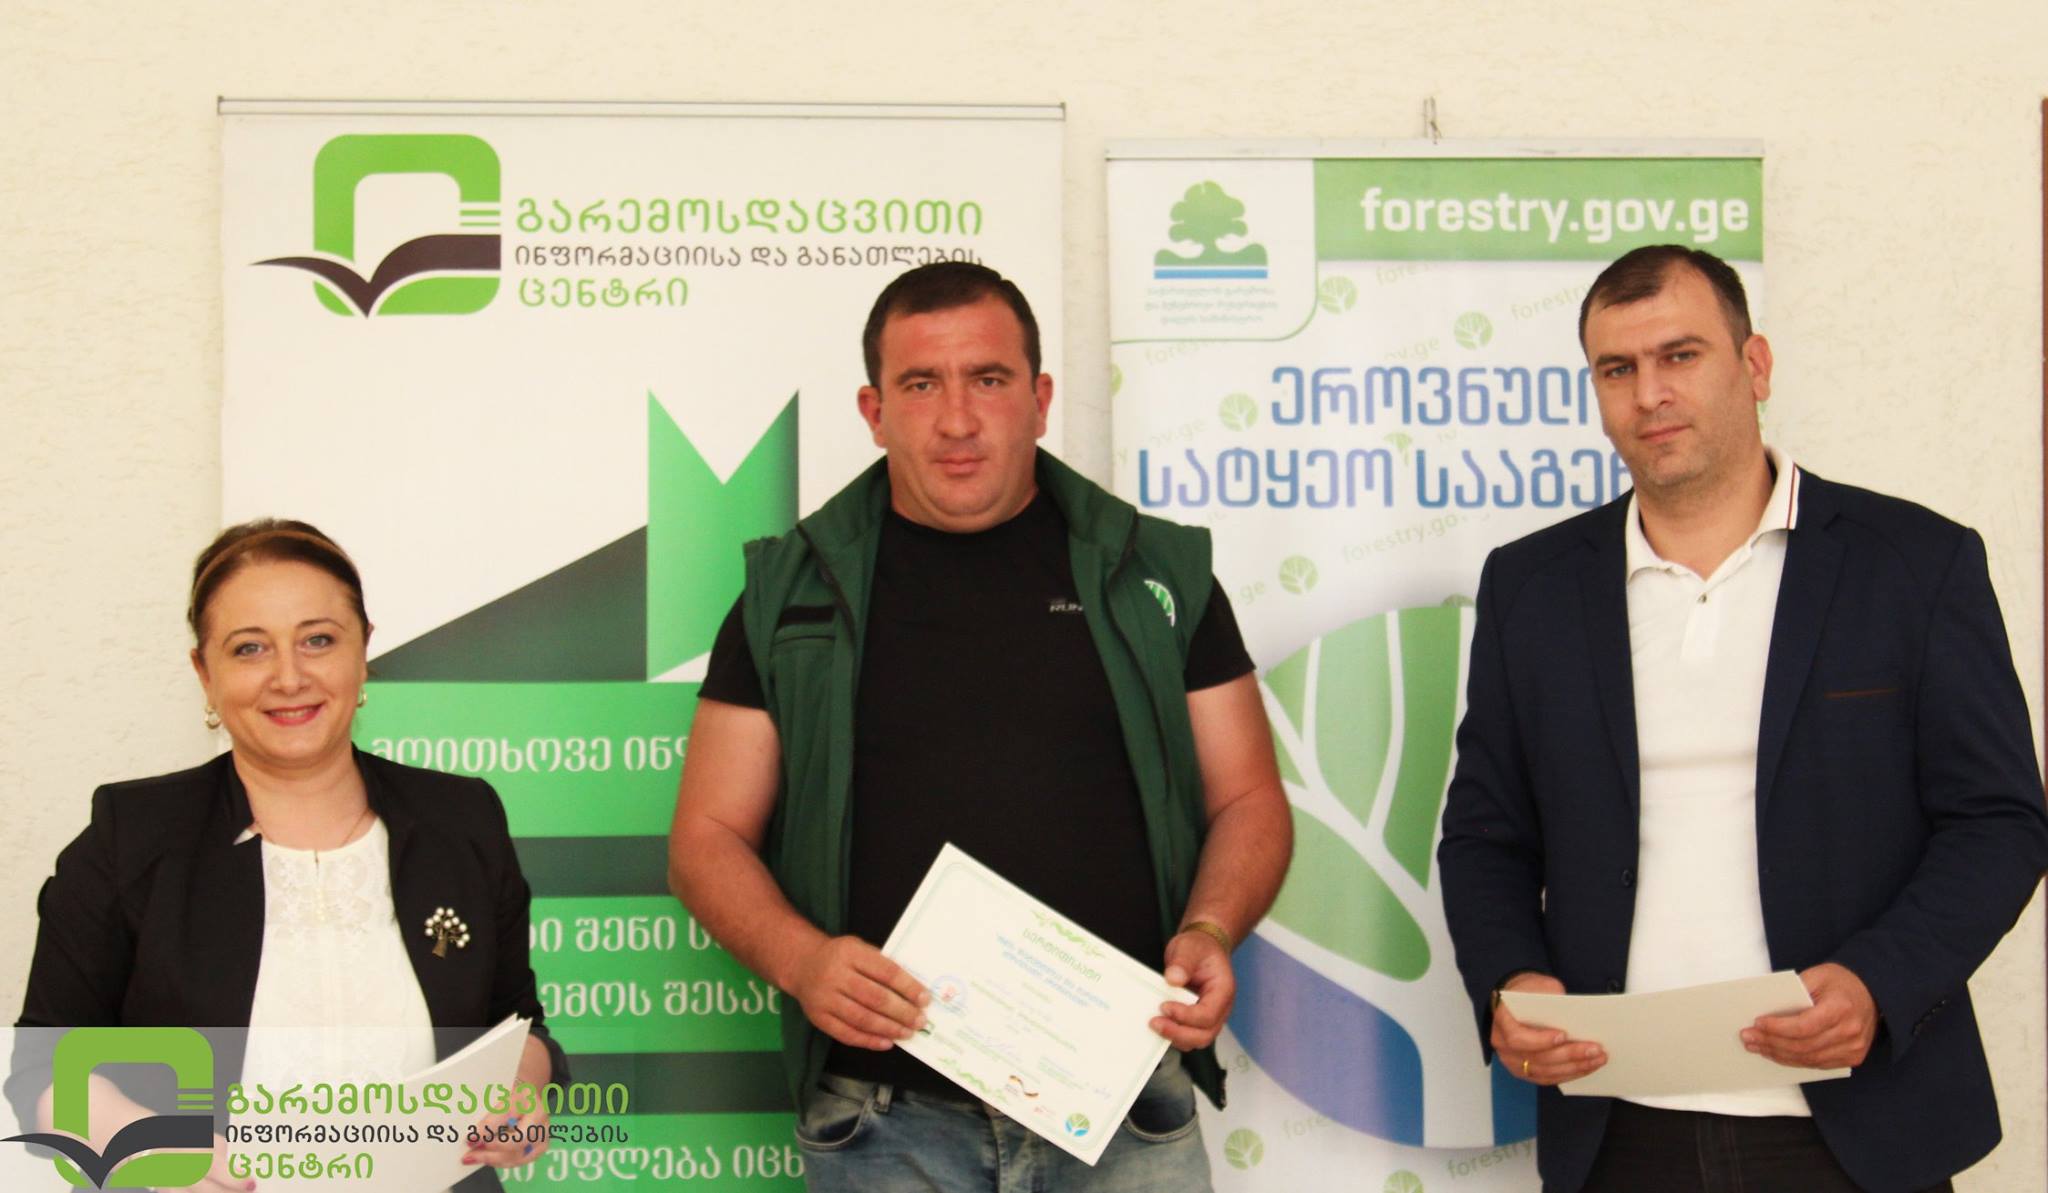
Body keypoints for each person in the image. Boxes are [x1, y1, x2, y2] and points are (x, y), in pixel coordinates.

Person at [668, 261, 1292, 1191]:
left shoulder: (1153, 574)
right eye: (921, 384)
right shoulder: (790, 592)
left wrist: (1211, 925)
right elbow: (705, 836)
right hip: (882, 1123)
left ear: (1040, 400)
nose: (957, 419)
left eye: (988, 379)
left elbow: (1247, 798)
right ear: (875, 411)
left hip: (1123, 1106)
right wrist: (802, 961)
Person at [1437, 244, 2048, 1193]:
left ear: (1754, 365)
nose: (1649, 394)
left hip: (1857, 1126)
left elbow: (2000, 822)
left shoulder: (1913, 564)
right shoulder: (1532, 586)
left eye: (1680, 355)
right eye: (1616, 368)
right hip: (1618, 1126)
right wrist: (1513, 977)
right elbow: (1485, 836)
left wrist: (1879, 981)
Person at [8, 519, 567, 1191]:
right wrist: (149, 1143)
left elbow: (517, 1024)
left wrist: (521, 1093)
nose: (289, 676)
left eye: (318, 640)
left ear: (363, 650)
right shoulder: (131, 837)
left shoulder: (461, 819)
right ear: (204, 672)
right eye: (250, 648)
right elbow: (43, 1070)